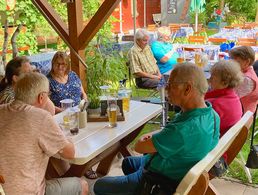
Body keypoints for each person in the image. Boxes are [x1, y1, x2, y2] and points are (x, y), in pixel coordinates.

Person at [93, 62, 220, 195]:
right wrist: (161, 136)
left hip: (159, 180)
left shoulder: (182, 130)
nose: (166, 89)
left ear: (187, 89)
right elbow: (172, 137)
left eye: (170, 85)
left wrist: (152, 137)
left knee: (99, 185)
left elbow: (140, 147)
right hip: (177, 166)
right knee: (127, 162)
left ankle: (138, 189)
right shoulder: (212, 115)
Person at [0, 72, 88, 195]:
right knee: (82, 185)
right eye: (49, 95)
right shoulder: (40, 117)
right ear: (41, 97)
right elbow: (70, 153)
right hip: (28, 192)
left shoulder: (2, 109)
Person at [205, 60, 243, 162]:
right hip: (221, 145)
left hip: (212, 153)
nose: (210, 78)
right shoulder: (233, 97)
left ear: (225, 82)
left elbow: (199, 131)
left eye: (213, 76)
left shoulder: (216, 104)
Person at [229, 46, 258, 113]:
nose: (232, 63)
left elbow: (231, 96)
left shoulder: (247, 80)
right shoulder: (246, 71)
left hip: (243, 115)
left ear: (247, 62)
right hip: (240, 109)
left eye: (236, 61)